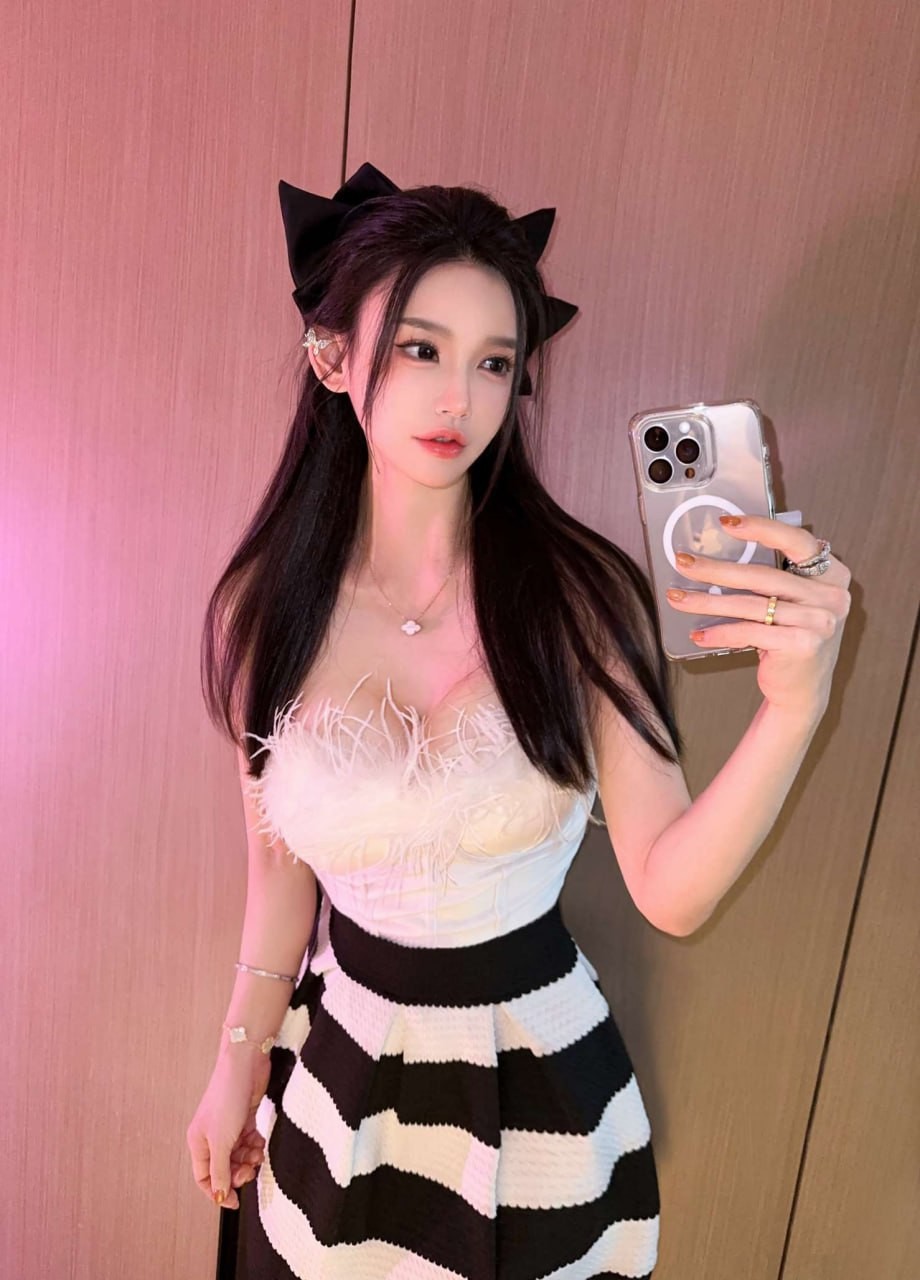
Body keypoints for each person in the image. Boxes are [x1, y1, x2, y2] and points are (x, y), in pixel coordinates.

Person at [185, 163, 848, 1279]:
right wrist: (235, 1064)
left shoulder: (576, 596)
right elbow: (277, 883)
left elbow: (671, 889)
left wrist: (793, 707)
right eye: (420, 348)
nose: (460, 397)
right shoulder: (268, 606)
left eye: (495, 362)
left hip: (533, 1080)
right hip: (336, 1067)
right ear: (332, 356)